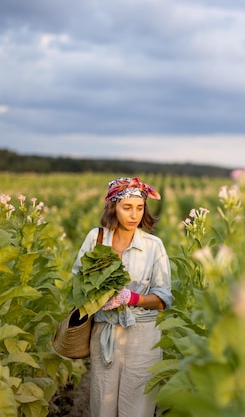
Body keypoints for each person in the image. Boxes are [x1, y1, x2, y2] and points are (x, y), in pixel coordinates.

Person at [71, 177, 173, 417]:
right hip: (105, 332)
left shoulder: (153, 246)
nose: (134, 214)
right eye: (127, 207)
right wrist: (96, 296)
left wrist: (130, 297)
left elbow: (163, 298)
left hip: (142, 337)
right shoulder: (96, 239)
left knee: (137, 407)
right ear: (113, 207)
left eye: (140, 208)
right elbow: (78, 282)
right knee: (102, 402)